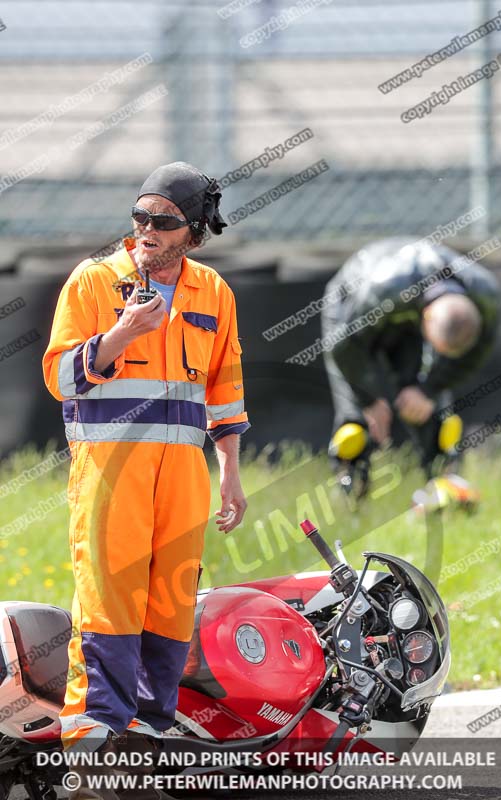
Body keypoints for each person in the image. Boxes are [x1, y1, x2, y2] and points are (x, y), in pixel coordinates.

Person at [42, 162, 250, 797]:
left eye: (162, 222)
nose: (146, 231)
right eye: (140, 218)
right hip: (110, 476)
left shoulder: (213, 293)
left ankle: (146, 742)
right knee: (109, 604)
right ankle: (94, 750)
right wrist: (119, 335)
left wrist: (231, 475)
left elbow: (225, 393)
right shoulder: (94, 281)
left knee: (169, 609)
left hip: (184, 477)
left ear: (193, 231)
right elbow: (60, 377)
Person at [321, 237, 500, 496]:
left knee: (430, 408)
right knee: (355, 422)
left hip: (407, 314)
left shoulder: (486, 298)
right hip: (351, 309)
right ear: (426, 321)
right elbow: (345, 349)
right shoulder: (384, 289)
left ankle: (443, 487)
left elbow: (474, 356)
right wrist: (369, 399)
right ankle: (350, 491)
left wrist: (428, 389)